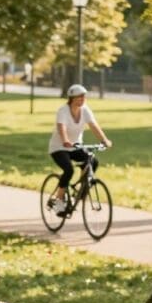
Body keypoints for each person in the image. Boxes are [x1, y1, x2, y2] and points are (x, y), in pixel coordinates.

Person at [48, 84, 112, 216]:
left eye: (84, 96)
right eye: (79, 97)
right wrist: (65, 140)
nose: (83, 99)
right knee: (69, 170)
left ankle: (81, 189)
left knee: (93, 162)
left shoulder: (85, 110)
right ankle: (58, 201)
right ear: (72, 98)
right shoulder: (63, 110)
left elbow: (94, 126)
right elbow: (62, 127)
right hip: (59, 148)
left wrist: (104, 140)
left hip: (76, 146)